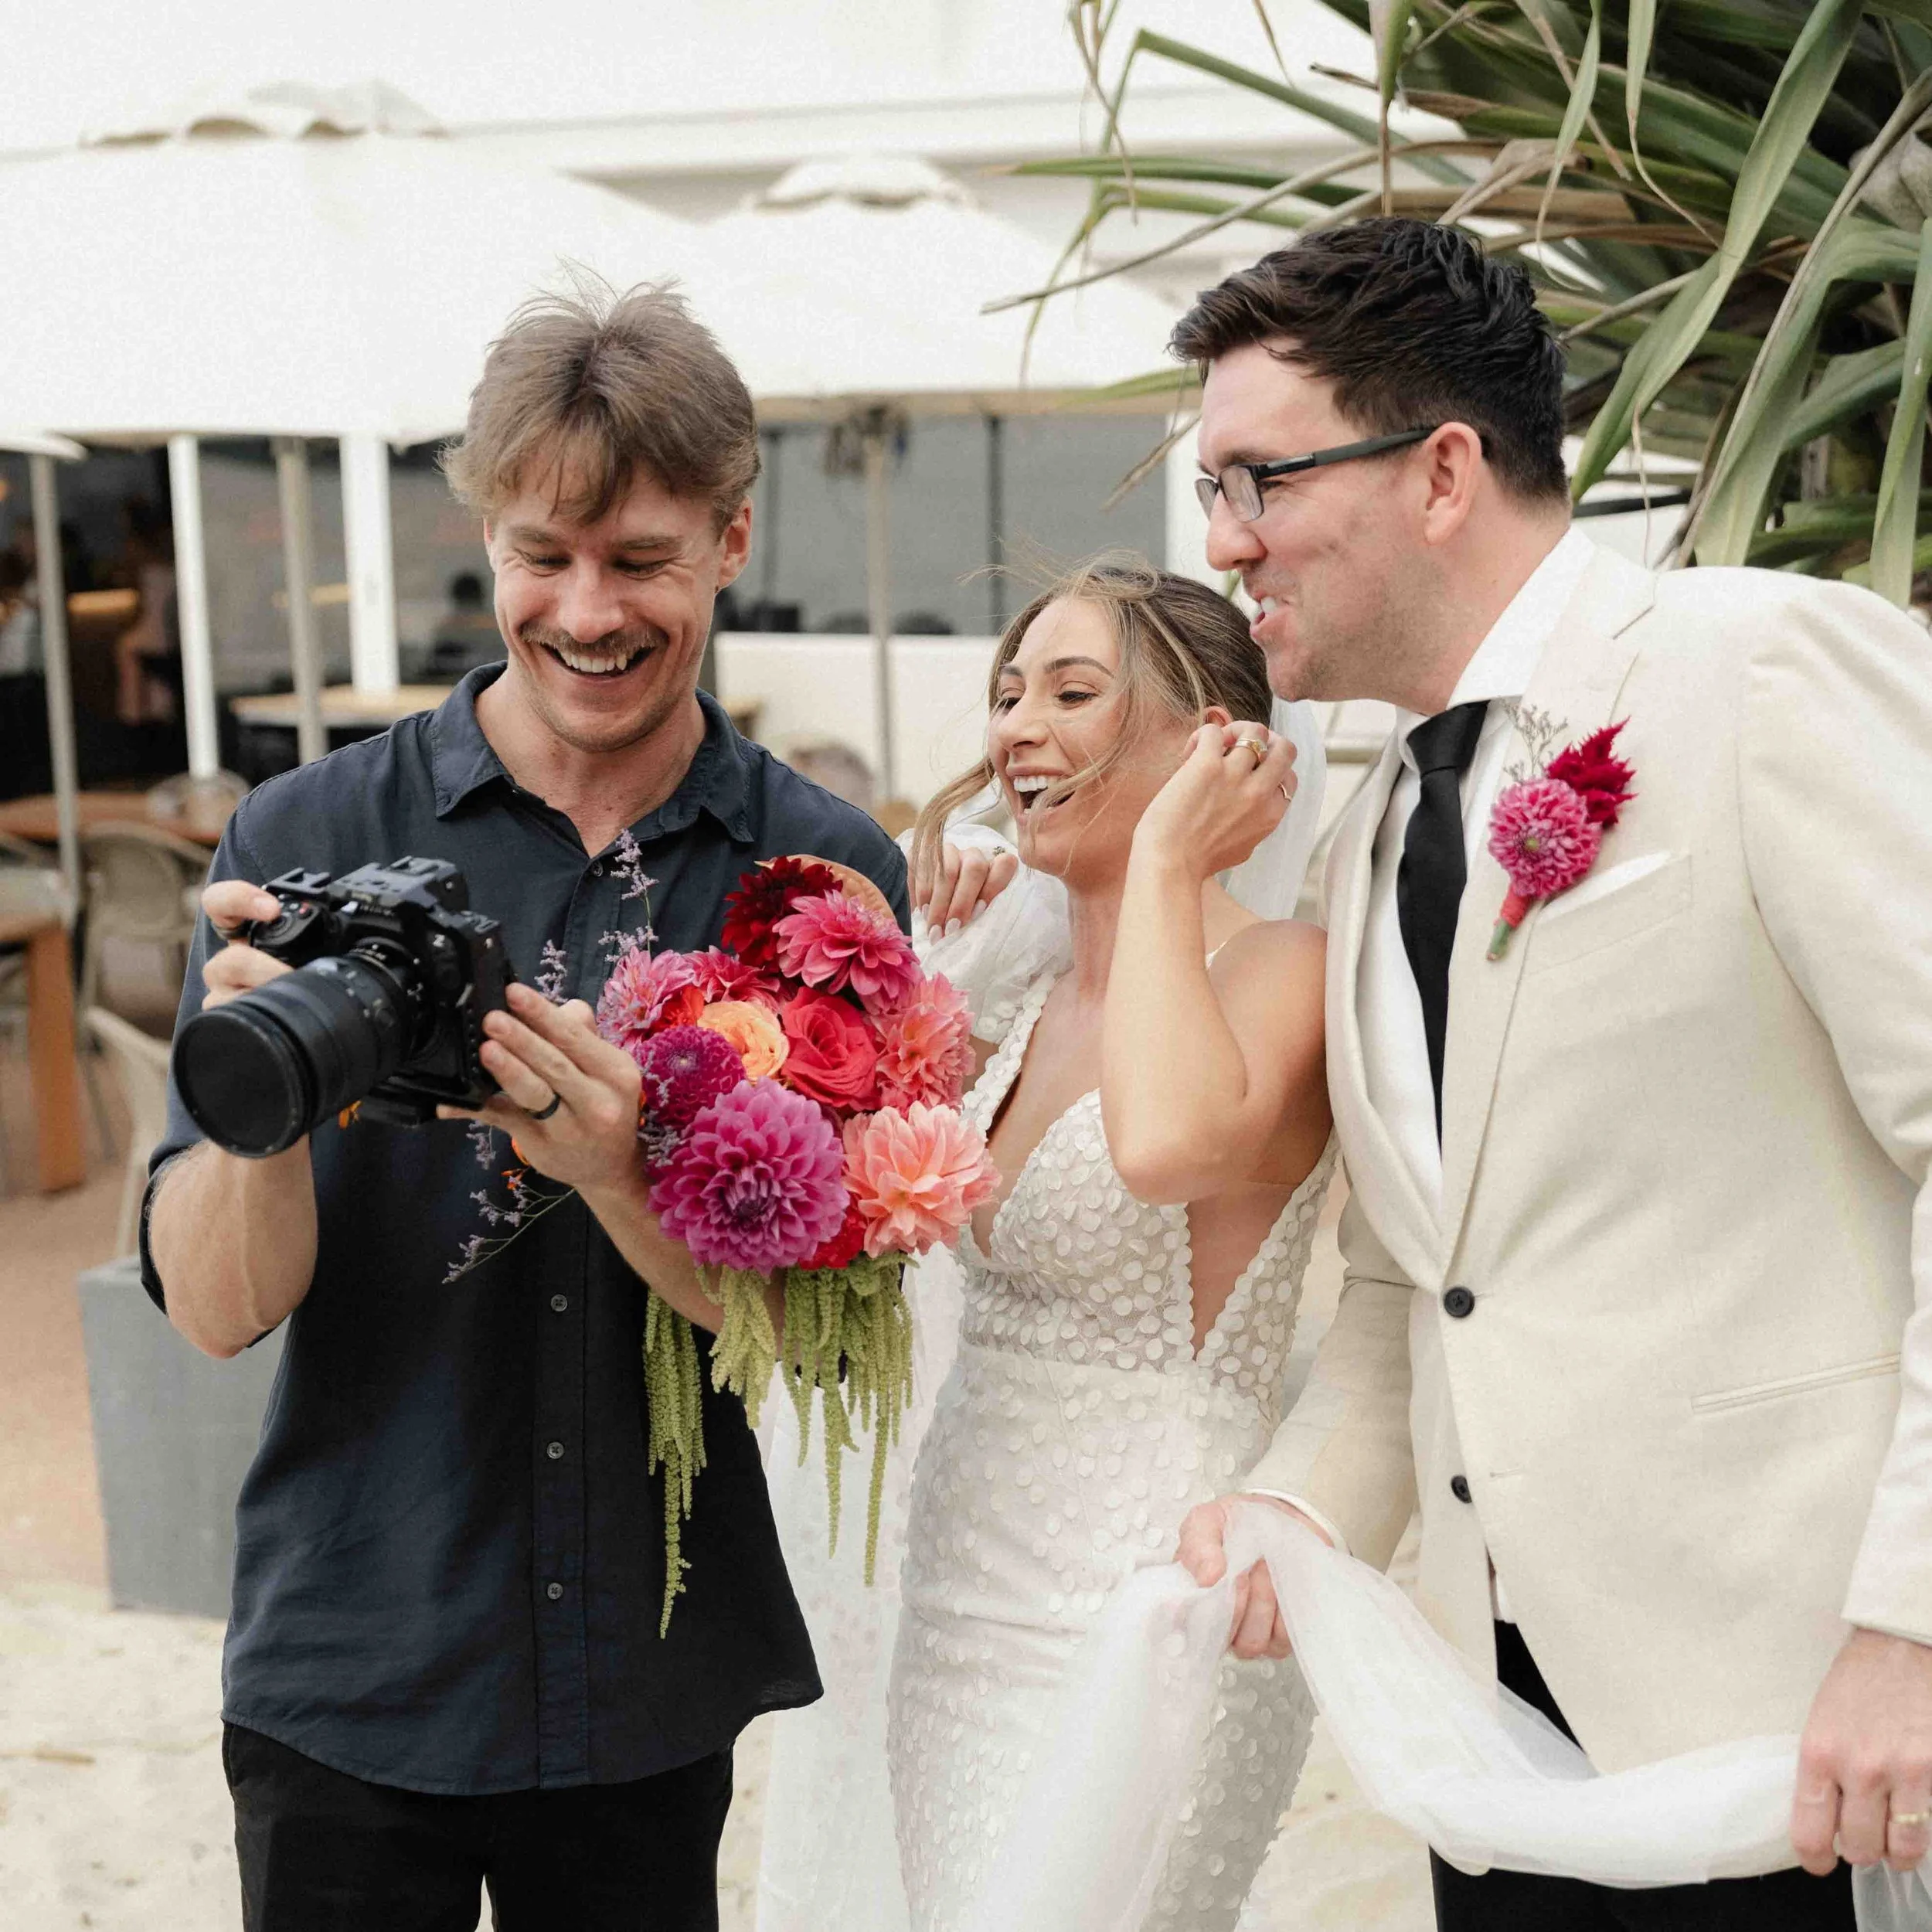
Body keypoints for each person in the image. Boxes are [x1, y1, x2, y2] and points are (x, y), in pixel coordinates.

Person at [1166, 218, 1932, 1927]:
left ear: (1439, 471)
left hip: (1805, 1723)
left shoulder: (1757, 668)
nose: (1223, 543)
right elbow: (1408, 1275)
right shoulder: (1366, 838)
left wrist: (1913, 1618)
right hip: (1497, 1745)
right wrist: (1296, 1499)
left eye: (1256, 482)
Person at [142, 280, 907, 1932]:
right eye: (539, 555)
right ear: (484, 536)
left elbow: (808, 1335)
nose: (585, 610)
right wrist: (259, 1097)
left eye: (639, 558)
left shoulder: (824, 880)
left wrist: (621, 1171)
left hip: (641, 1680)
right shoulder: (303, 832)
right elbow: (214, 1313)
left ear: (731, 539)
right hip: (351, 1663)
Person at [878, 556, 1335, 1930]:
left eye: (1074, 693)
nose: (1017, 728)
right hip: (959, 1603)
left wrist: (1167, 866)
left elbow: (1164, 1150)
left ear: (1221, 748)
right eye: (1009, 694)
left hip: (1147, 1606)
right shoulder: (1009, 996)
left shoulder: (1279, 972)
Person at [423, 566, 505, 680]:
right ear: (481, 597)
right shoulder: (499, 628)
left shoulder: (446, 630)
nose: (468, 609)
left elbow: (432, 670)